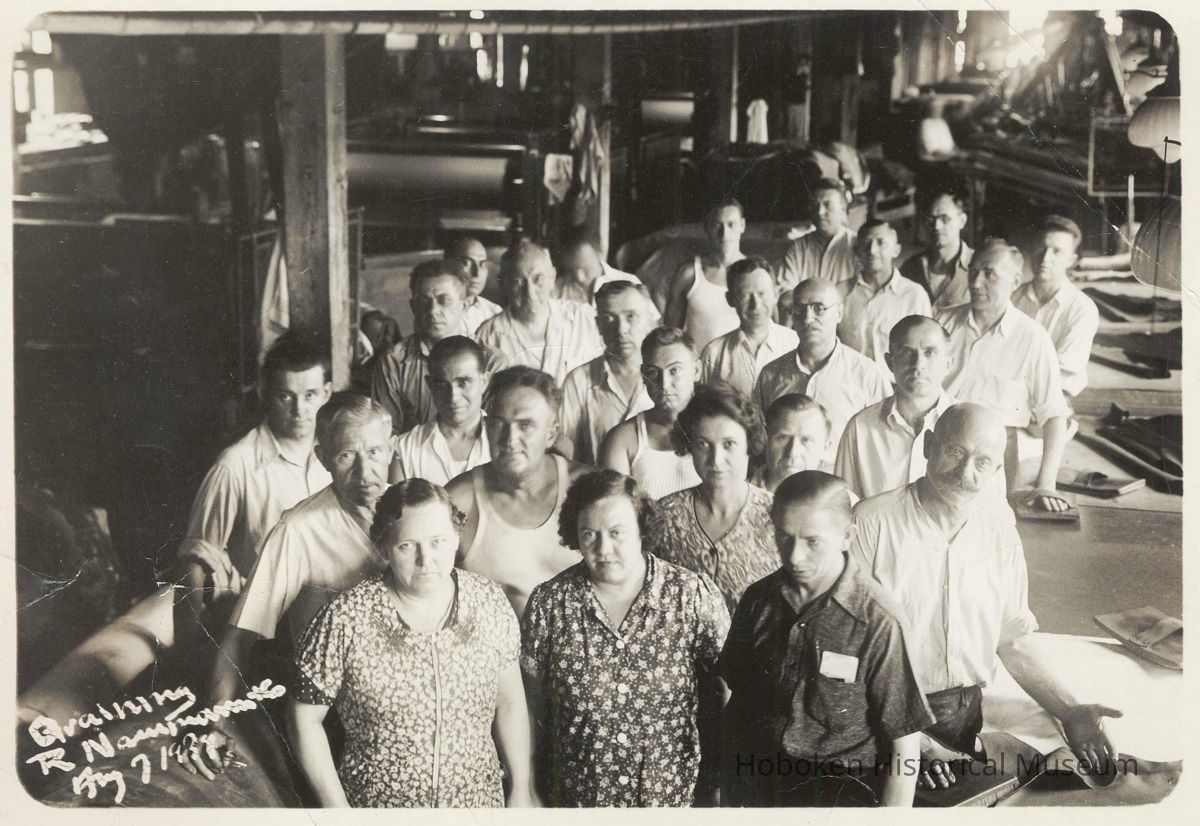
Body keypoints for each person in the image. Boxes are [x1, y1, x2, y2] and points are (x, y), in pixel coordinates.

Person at [852, 404, 1122, 787]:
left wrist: (1070, 710)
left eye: (982, 462)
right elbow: (848, 660)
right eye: (955, 452)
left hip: (963, 717)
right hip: (881, 725)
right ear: (928, 446)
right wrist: (918, 748)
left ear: (997, 470)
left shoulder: (998, 530)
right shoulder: (870, 524)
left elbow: (1011, 640)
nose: (965, 473)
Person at [290, 479, 538, 808]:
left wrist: (521, 788)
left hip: (477, 805)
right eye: (407, 545)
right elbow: (302, 718)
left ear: (455, 538)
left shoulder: (488, 602)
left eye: (437, 541)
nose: (426, 559)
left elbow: (510, 703)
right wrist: (337, 810)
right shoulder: (345, 618)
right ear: (384, 547)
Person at [183, 393, 394, 778]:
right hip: (335, 716)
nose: (366, 470)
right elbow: (240, 635)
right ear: (324, 457)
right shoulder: (296, 531)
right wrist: (215, 722)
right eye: (347, 455)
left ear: (392, 449)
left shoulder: (415, 511)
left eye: (376, 452)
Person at [720, 472, 932, 807]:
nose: (793, 557)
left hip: (840, 793)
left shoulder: (879, 621)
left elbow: (904, 749)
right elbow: (736, 707)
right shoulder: (758, 600)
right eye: (784, 537)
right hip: (760, 783)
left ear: (847, 537)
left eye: (812, 541)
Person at [521, 470, 731, 806]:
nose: (604, 548)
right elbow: (530, 708)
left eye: (617, 533)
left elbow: (728, 696)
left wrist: (721, 786)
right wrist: (525, 786)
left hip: (672, 803)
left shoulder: (691, 596)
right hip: (578, 803)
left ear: (642, 529)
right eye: (590, 534)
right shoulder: (549, 604)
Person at [176, 334, 332, 602]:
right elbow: (197, 557)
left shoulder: (339, 454)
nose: (299, 410)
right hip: (264, 619)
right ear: (265, 393)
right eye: (286, 396)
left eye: (310, 395)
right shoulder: (236, 465)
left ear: (327, 393)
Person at [940, 239, 1072, 511]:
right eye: (973, 272)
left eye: (989, 274)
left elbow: (1054, 415)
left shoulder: (1032, 338)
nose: (976, 283)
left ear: (1014, 281)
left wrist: (1046, 483)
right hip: (936, 449)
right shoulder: (942, 323)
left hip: (993, 464)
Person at [446, 367, 586, 617]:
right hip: (495, 652)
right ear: (486, 427)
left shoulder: (587, 490)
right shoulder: (460, 500)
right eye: (499, 423)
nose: (509, 438)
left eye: (525, 425)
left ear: (551, 434)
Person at [647, 383, 777, 613]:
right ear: (689, 447)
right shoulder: (664, 514)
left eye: (729, 444)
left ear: (749, 444)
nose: (716, 460)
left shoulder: (775, 515)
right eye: (703, 445)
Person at [835, 315, 986, 500]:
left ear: (948, 363)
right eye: (907, 352)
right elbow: (844, 505)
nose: (918, 364)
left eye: (929, 352)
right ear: (890, 362)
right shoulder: (860, 427)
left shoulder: (975, 427)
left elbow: (992, 513)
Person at [754, 279, 891, 463]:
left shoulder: (868, 375)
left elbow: (884, 446)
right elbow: (759, 442)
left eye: (819, 308)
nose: (807, 319)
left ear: (839, 313)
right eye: (799, 309)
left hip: (841, 487)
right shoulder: (771, 374)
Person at [371, 258, 485, 433]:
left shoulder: (489, 359)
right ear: (413, 307)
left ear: (465, 305)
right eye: (423, 301)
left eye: (443, 300)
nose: (432, 311)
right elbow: (386, 433)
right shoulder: (393, 362)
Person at [476, 239, 604, 386]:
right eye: (518, 282)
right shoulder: (487, 337)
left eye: (538, 279)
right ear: (503, 284)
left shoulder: (582, 318)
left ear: (552, 278)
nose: (530, 292)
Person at [558, 281, 656, 464]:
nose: (621, 330)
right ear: (598, 325)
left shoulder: (666, 380)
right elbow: (565, 453)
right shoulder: (578, 381)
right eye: (609, 319)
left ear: (650, 320)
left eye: (631, 316)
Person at [599, 326, 702, 499]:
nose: (664, 383)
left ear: (697, 371)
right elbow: (616, 514)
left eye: (674, 370)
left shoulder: (719, 429)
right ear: (644, 376)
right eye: (653, 373)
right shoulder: (623, 439)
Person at [1013, 215, 1100, 399]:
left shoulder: (1082, 309)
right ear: (1031, 250)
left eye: (1057, 251)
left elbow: (1063, 378)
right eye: (1042, 248)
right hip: (1005, 399)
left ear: (1071, 259)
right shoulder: (1011, 299)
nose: (1045, 258)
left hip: (1053, 405)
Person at [390, 336, 491, 486]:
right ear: (430, 385)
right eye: (442, 385)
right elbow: (395, 509)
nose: (453, 396)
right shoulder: (405, 450)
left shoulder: (507, 441)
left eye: (463, 383)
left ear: (484, 382)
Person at [837, 220, 932, 371]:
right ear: (856, 252)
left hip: (895, 387)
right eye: (866, 244)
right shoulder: (841, 292)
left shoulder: (914, 295)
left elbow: (926, 350)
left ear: (896, 250)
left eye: (881, 243)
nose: (872, 250)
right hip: (850, 384)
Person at [699, 256, 799, 398]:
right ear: (730, 299)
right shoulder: (713, 354)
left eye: (762, 294)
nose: (755, 305)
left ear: (775, 295)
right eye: (744, 296)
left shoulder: (795, 343)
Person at [664, 198, 745, 350]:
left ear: (742, 226)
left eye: (731, 224)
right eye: (717, 224)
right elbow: (670, 337)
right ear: (707, 227)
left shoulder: (757, 274)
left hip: (743, 371)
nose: (724, 233)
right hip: (699, 369)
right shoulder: (688, 273)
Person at [775, 178, 858, 318]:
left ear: (843, 206)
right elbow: (785, 295)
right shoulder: (797, 248)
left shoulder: (857, 245)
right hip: (805, 326)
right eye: (815, 205)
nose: (820, 212)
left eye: (828, 205)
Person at [900, 190, 974, 314]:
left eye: (945, 219)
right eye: (930, 219)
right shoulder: (910, 267)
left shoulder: (979, 264)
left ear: (962, 220)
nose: (937, 226)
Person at [553, 226, 649, 310]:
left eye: (587, 269)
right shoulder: (556, 291)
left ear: (600, 254)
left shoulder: (630, 282)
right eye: (571, 271)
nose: (579, 278)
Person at [757, 394, 831, 492]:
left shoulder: (845, 503)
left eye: (806, 440)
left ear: (826, 447)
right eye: (783, 438)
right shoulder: (735, 499)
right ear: (765, 438)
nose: (792, 452)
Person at [446, 235, 502, 334]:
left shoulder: (495, 312)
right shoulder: (436, 311)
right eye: (466, 262)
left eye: (482, 264)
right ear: (447, 265)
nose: (477, 272)